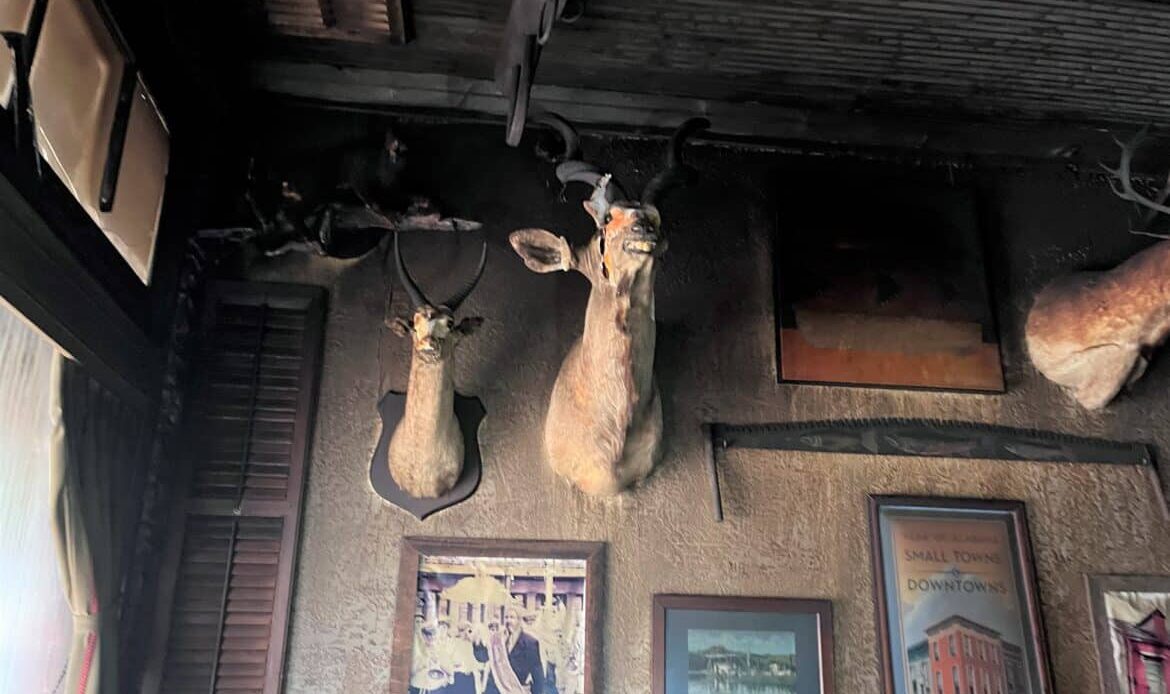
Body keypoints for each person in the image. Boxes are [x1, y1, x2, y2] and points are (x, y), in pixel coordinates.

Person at [475, 608, 545, 694]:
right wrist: (477, 643)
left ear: (519, 620)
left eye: (512, 617)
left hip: (516, 689)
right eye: (506, 617)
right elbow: (482, 658)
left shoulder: (530, 643)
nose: (508, 620)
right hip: (495, 689)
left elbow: (537, 674)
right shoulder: (497, 639)